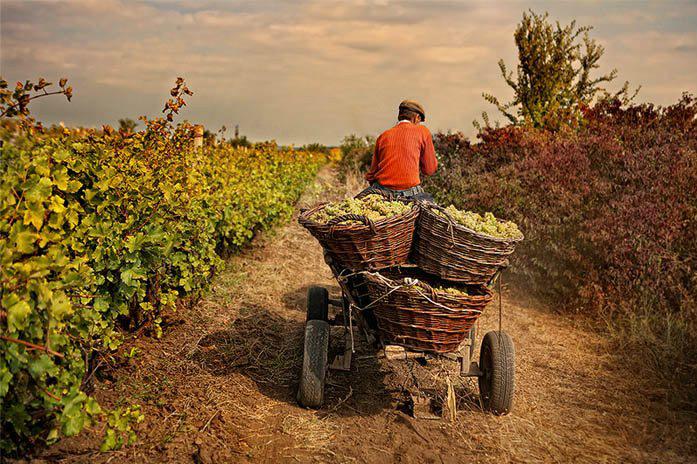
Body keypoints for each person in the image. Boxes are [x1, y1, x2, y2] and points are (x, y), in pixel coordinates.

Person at [359, 100, 437, 202]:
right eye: (419, 120)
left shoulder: (383, 136)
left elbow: (372, 174)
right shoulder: (423, 131)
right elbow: (429, 169)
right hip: (410, 194)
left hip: (382, 191)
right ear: (417, 117)